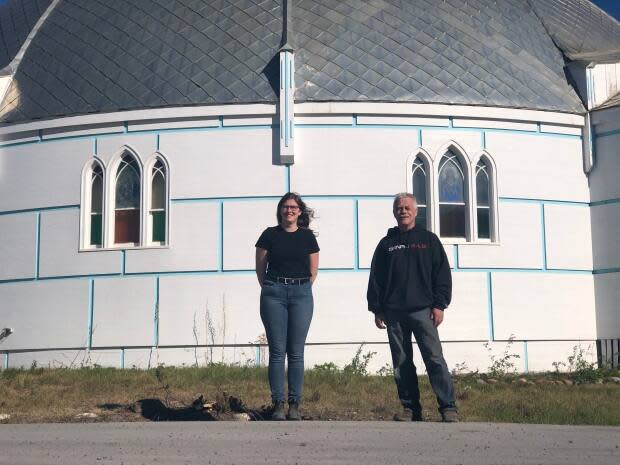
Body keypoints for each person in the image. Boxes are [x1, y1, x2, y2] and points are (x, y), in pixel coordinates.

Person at [367, 193, 458, 422]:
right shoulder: (386, 244)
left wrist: (439, 305)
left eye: (407, 207)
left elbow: (442, 274)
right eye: (399, 208)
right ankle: (411, 409)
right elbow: (376, 277)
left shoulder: (429, 240)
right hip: (394, 313)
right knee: (401, 362)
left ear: (416, 212)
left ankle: (448, 407)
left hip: (423, 311)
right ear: (394, 212)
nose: (403, 211)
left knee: (434, 359)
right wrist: (377, 308)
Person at [255, 192, 319, 421]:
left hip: (301, 294)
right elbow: (260, 269)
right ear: (280, 211)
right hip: (274, 294)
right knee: (276, 352)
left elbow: (314, 271)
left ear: (300, 211)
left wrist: (298, 287)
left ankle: (294, 405)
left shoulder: (308, 237)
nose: (289, 210)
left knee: (296, 352)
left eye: (293, 207)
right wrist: (274, 287)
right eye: (285, 206)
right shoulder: (269, 235)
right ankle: (278, 404)